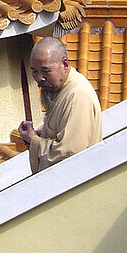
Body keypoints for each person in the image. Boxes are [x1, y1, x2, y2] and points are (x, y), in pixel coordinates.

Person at [18, 37, 102, 172]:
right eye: (34, 71)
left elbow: (69, 154)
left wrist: (33, 139)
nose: (40, 78)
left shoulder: (77, 96)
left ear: (65, 65)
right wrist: (39, 134)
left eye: (46, 71)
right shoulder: (60, 90)